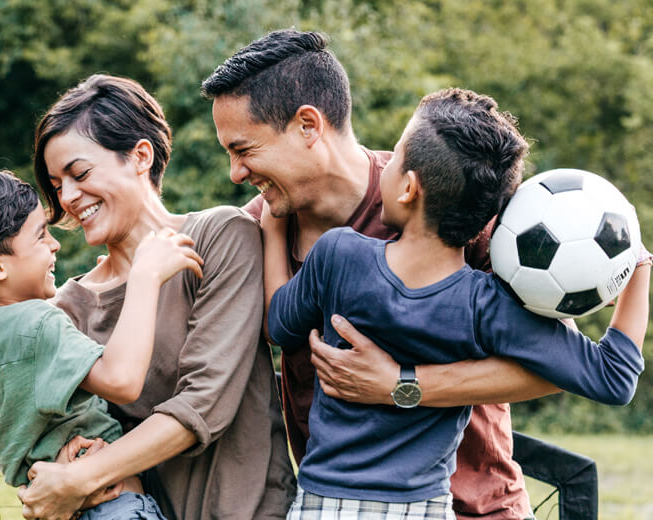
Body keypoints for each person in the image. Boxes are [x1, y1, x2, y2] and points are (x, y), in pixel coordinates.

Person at [202, 29, 565, 519]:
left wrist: (402, 385)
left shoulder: (443, 199)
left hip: (473, 509)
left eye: (244, 150)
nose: (235, 173)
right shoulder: (257, 231)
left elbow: (556, 366)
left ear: (308, 124)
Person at [263, 86, 648, 518]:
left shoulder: (338, 255)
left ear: (408, 187)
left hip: (324, 504)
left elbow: (279, 324)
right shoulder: (486, 306)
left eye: (395, 156)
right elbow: (614, 379)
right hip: (424, 508)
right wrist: (638, 265)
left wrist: (272, 228)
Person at [17, 74, 295, 520]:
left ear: (141, 156)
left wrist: (78, 480)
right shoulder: (68, 309)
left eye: (80, 173)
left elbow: (205, 401)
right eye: (56, 184)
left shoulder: (220, 237)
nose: (67, 197)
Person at [0, 169, 205, 519]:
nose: (55, 244)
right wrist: (143, 278)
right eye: (41, 236)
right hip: (112, 508)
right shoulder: (37, 324)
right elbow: (122, 380)